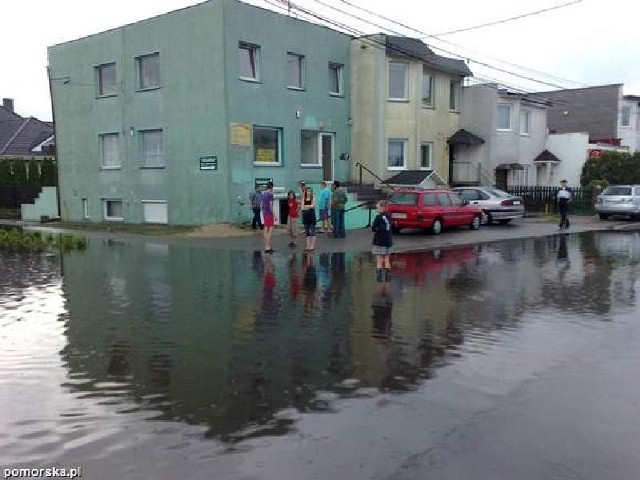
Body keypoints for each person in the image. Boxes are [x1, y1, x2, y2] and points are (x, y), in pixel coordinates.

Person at [371, 200, 393, 282]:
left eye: (377, 208)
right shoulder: (389, 216)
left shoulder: (379, 217)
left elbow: (373, 228)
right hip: (388, 241)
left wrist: (377, 229)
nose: (376, 209)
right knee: (387, 258)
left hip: (379, 240)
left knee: (379, 258)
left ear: (382, 208)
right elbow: (390, 227)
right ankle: (388, 276)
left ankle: (379, 276)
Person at [301, 186, 317, 251]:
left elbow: (313, 206)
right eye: (307, 191)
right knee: (307, 231)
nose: (308, 192)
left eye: (310, 191)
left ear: (311, 192)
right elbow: (302, 208)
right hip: (305, 216)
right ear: (305, 192)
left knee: (312, 231)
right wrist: (308, 206)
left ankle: (312, 246)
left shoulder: (313, 197)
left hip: (312, 216)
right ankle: (308, 245)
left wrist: (306, 206)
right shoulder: (303, 199)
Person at [261, 182, 275, 253]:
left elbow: (262, 205)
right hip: (269, 213)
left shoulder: (263, 194)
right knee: (271, 229)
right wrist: (274, 215)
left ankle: (266, 246)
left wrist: (263, 212)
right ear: (272, 187)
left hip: (265, 213)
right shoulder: (270, 195)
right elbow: (271, 206)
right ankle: (268, 247)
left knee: (266, 228)